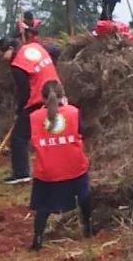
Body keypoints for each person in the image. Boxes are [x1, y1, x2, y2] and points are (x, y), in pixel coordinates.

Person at [29, 82, 91, 251]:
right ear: (63, 95)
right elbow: (84, 131)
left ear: (42, 98)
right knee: (84, 196)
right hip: (74, 167)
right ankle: (87, 228)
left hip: (47, 171)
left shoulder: (34, 117)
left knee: (43, 207)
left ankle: (38, 238)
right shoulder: (73, 112)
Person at [0, 27, 60, 185]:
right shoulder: (34, 47)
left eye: (2, 54)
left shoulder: (17, 65)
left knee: (19, 137)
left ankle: (21, 173)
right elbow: (54, 52)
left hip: (38, 98)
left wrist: (20, 110)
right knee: (50, 133)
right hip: (55, 91)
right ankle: (54, 167)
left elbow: (24, 91)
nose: (3, 59)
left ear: (10, 49)